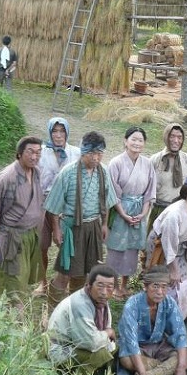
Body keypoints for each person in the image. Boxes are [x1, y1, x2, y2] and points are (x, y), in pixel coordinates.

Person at [44, 131, 118, 312]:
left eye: (100, 153)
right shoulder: (68, 173)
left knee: (86, 271)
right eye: (92, 153)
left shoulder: (104, 171)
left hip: (93, 226)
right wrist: (56, 230)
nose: (96, 158)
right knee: (64, 273)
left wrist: (103, 224)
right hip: (72, 228)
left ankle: (73, 309)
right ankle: (51, 311)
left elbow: (107, 202)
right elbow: (53, 207)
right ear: (83, 152)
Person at [0, 135, 44, 310]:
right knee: (13, 280)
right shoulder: (7, 178)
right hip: (12, 237)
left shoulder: (36, 172)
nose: (34, 157)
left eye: (38, 152)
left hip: (31, 234)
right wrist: (6, 227)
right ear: (19, 154)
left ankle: (17, 313)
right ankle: (13, 320)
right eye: (30, 152)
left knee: (25, 277)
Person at [118, 266, 187, 375]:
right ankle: (163, 369)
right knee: (126, 360)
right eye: (155, 286)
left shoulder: (169, 303)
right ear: (145, 286)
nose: (160, 291)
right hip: (138, 347)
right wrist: (142, 372)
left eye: (164, 287)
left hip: (159, 345)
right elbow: (131, 342)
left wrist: (181, 367)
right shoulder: (132, 305)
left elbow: (180, 334)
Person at [145, 176, 187, 319]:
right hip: (162, 246)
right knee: (167, 280)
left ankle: (177, 317)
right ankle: (156, 314)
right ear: (185, 193)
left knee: (184, 282)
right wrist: (173, 269)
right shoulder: (174, 215)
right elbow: (168, 243)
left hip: (179, 247)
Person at [107, 126, 157, 299]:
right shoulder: (116, 163)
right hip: (120, 210)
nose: (136, 143)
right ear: (125, 141)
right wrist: (123, 214)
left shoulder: (148, 163)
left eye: (140, 140)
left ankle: (124, 284)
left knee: (131, 250)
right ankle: (112, 285)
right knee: (116, 248)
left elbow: (150, 192)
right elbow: (112, 193)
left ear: (144, 144)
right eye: (133, 139)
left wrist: (143, 214)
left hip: (138, 211)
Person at [46, 264, 117, 375]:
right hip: (60, 349)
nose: (104, 292)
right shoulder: (79, 304)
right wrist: (108, 333)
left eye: (110, 287)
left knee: (111, 348)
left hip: (78, 343)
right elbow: (90, 343)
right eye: (100, 286)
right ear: (89, 285)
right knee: (100, 353)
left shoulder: (99, 300)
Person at [35, 117, 81, 295]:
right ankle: (43, 282)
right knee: (41, 246)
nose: (58, 135)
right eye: (55, 131)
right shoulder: (42, 152)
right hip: (43, 204)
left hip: (66, 206)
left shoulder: (75, 153)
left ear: (67, 132)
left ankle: (65, 281)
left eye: (62, 131)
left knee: (67, 245)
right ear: (49, 132)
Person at [149, 123, 187, 230]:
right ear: (166, 137)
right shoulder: (155, 160)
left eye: (179, 137)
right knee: (154, 243)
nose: (176, 141)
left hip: (180, 210)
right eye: (172, 136)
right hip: (159, 210)